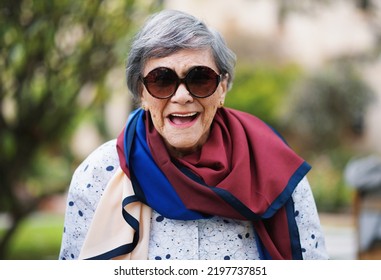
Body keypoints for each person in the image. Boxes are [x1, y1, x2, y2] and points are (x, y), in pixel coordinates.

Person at [59, 9, 328, 260]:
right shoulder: (98, 175)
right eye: (162, 80)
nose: (182, 96)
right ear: (141, 92)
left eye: (200, 78)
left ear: (222, 88)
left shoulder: (275, 172)